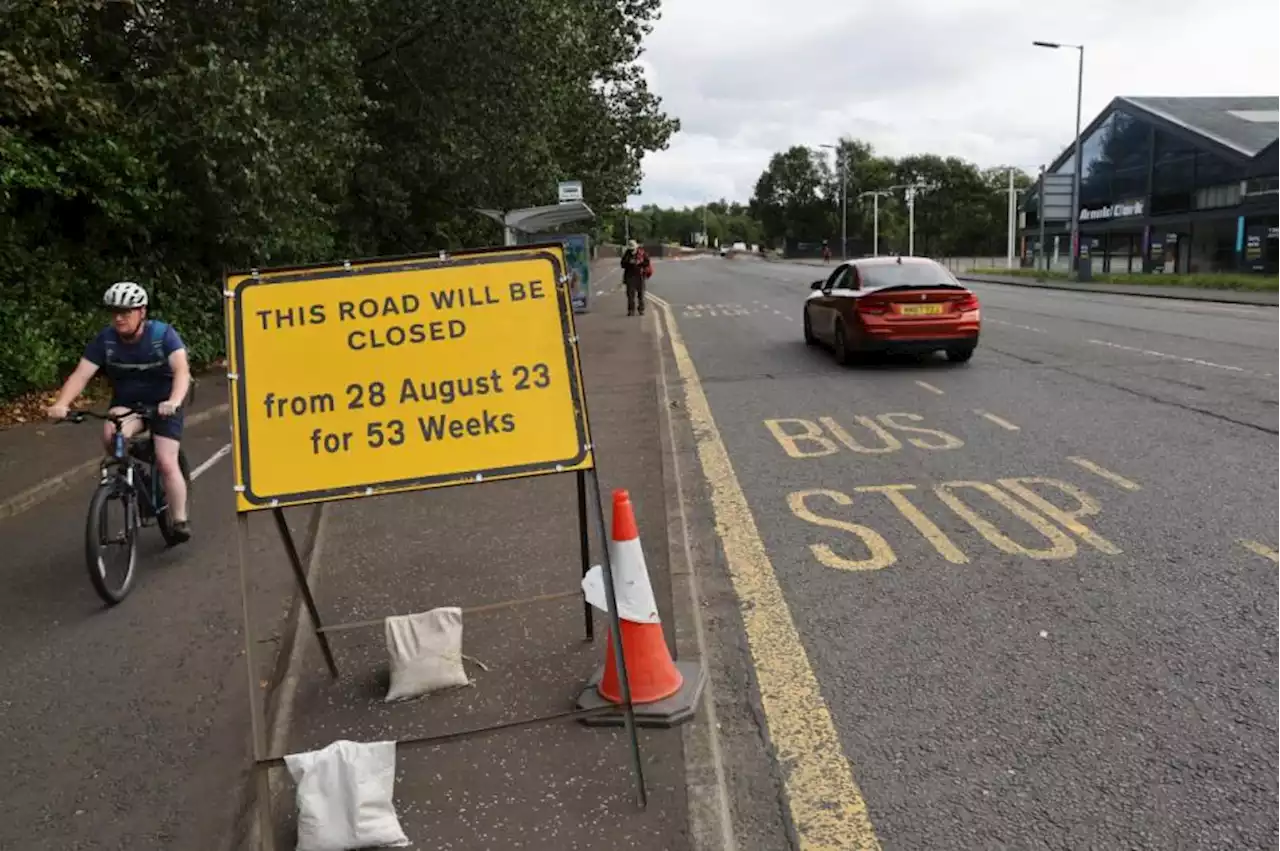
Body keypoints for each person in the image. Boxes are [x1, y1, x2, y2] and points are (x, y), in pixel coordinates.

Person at [47, 281, 193, 542]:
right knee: (109, 434)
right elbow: (81, 375)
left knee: (166, 461)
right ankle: (135, 479)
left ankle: (179, 519)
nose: (119, 318)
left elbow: (182, 371)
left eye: (126, 312)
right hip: (129, 404)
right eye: (114, 312)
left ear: (142, 312)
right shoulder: (106, 340)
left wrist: (174, 400)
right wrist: (62, 403)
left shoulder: (163, 335)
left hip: (164, 404)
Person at [620, 239, 652, 317]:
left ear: (636, 247)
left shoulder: (642, 253)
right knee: (630, 295)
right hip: (630, 277)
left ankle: (641, 309)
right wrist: (629, 262)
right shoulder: (627, 253)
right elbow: (622, 264)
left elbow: (647, 262)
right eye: (631, 249)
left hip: (640, 276)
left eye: (633, 249)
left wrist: (640, 263)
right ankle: (631, 310)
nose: (632, 250)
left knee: (641, 294)